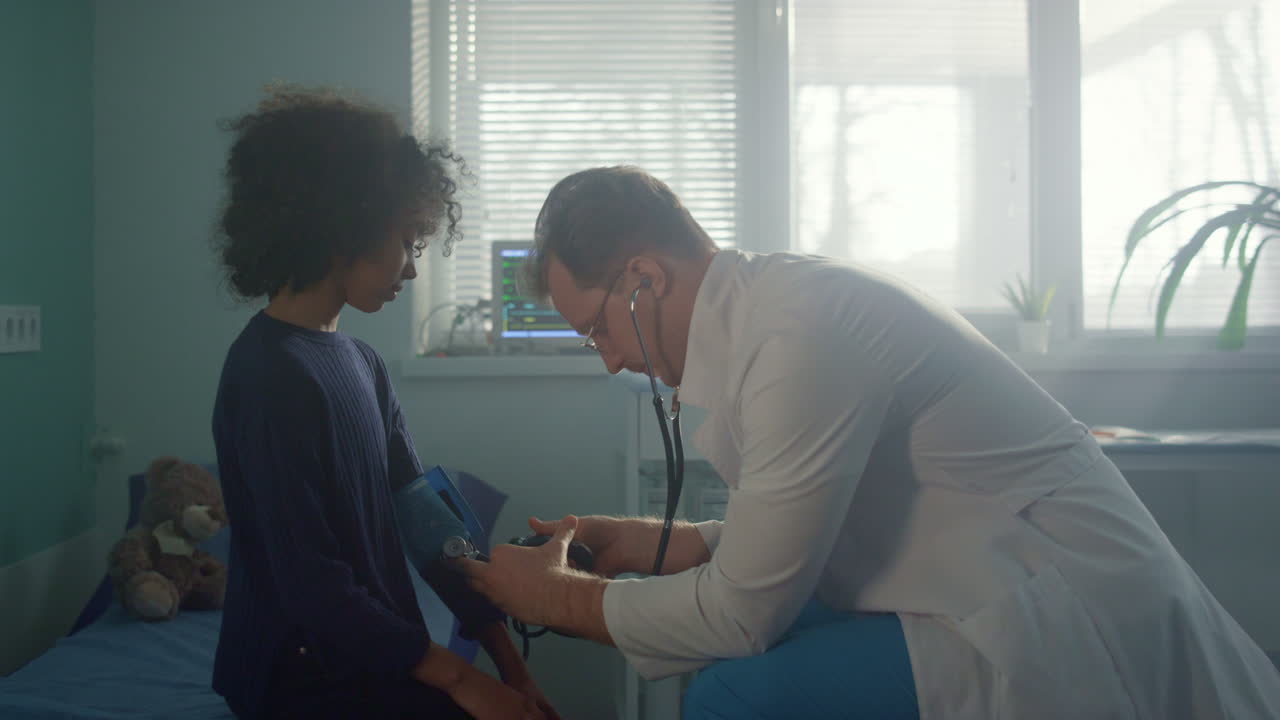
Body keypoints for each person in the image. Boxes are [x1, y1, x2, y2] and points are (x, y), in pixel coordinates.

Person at [458, 165, 1280, 719]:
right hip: (969, 577)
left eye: (598, 327)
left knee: (728, 696)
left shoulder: (800, 334)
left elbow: (744, 612)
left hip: (1043, 610)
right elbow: (825, 513)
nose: (608, 360)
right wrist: (664, 544)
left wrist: (551, 598)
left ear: (644, 278)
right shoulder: (772, 314)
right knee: (727, 668)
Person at [211, 86, 557, 720]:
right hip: (302, 675)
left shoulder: (362, 364)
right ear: (345, 231)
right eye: (407, 242)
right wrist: (460, 681)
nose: (413, 271)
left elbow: (430, 529)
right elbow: (312, 585)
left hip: (374, 655)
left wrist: (509, 668)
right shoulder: (267, 375)